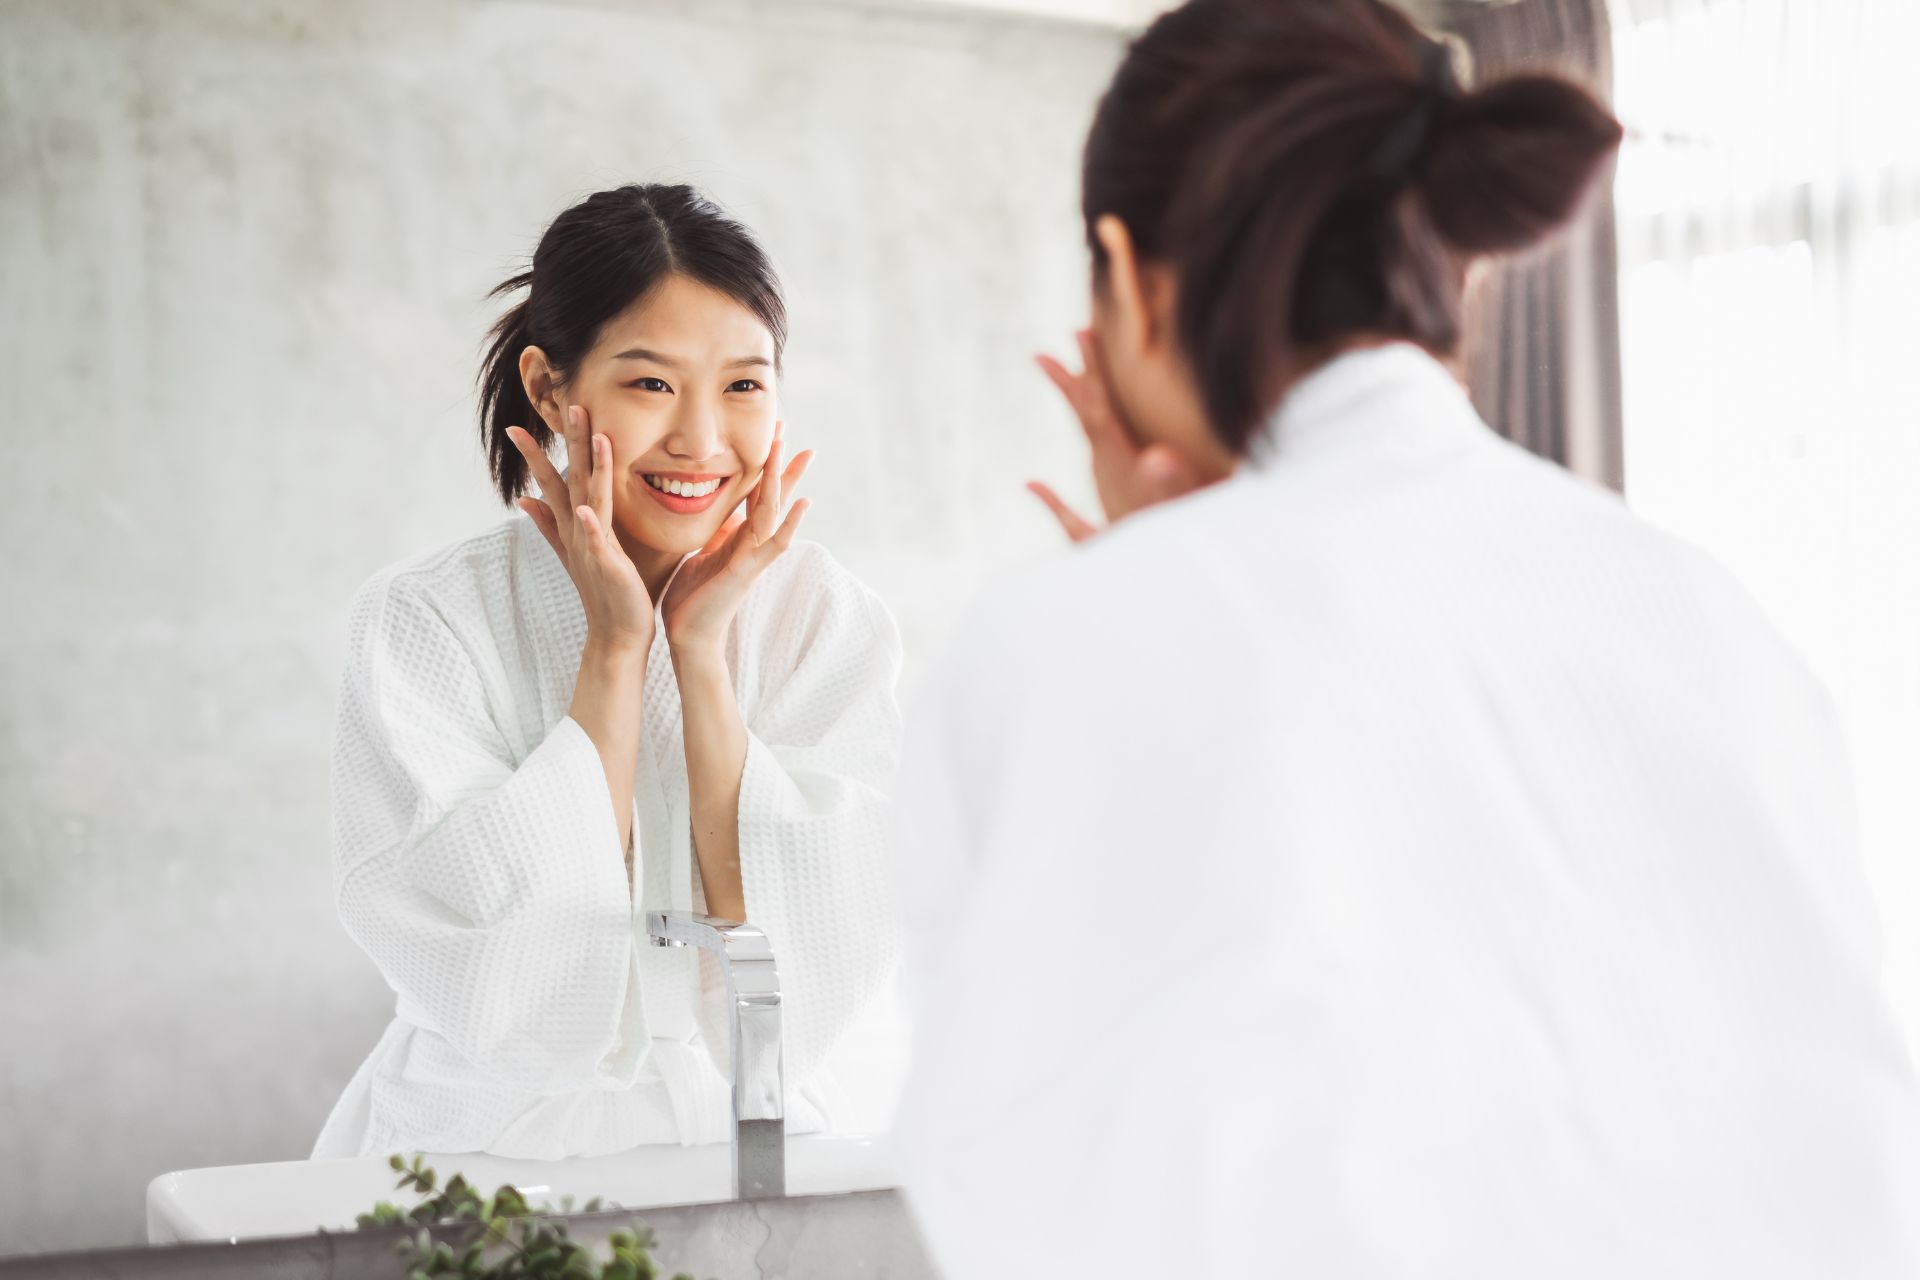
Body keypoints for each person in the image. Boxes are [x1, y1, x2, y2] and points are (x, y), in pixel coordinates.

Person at [889, 1, 1920, 1275]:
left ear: (1126, 275)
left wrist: (1164, 577)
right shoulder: (1706, 607)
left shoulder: (1068, 643)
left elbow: (1024, 1180)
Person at [312, 184, 903, 1161]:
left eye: (744, 386)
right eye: (652, 384)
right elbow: (497, 973)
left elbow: (826, 956)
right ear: (551, 389)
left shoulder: (826, 615)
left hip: (775, 1127)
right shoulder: (425, 619)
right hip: (491, 1142)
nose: (703, 442)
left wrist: (701, 652)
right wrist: (618, 648)